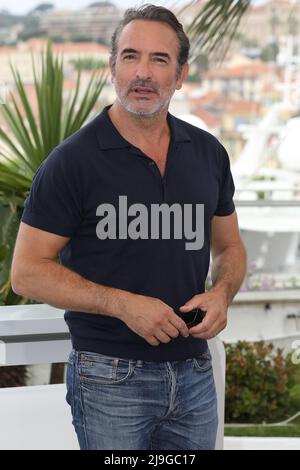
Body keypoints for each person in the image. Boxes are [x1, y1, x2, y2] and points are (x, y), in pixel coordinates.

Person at [11, 4, 247, 450]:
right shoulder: (72, 162)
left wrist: (221, 293)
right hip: (109, 376)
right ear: (112, 68)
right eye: (130, 56)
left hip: (195, 373)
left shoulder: (208, 153)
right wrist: (122, 305)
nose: (143, 72)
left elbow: (230, 247)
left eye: (159, 60)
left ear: (180, 75)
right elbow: (27, 271)